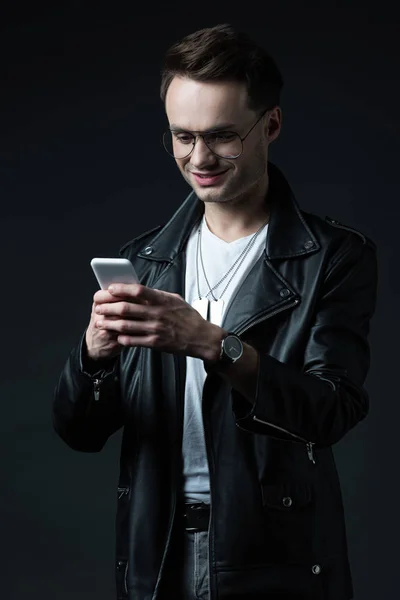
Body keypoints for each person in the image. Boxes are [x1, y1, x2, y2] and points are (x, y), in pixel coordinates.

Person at [53, 23, 378, 600]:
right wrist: (95, 356)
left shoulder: (333, 257)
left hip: (274, 555)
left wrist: (215, 345)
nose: (199, 158)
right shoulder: (144, 260)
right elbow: (79, 432)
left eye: (222, 136)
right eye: (182, 137)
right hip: (154, 553)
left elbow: (332, 409)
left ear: (270, 125)